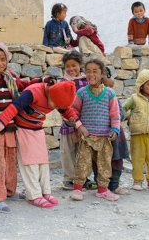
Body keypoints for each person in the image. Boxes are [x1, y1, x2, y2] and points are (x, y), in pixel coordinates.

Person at [0, 43, 49, 213]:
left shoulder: (12, 77)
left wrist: (42, 80)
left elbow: (25, 85)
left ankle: (9, 191)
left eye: (3, 60)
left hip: (11, 128)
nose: (0, 63)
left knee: (10, 162)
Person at [0, 81, 79, 208]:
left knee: (43, 161)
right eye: (56, 106)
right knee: (29, 162)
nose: (57, 109)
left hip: (37, 129)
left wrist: (75, 123)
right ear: (50, 95)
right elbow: (13, 108)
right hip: (23, 129)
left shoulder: (58, 98)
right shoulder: (32, 92)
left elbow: (68, 112)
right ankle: (34, 195)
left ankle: (45, 192)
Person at [69, 59, 121, 202]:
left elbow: (115, 114)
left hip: (104, 137)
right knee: (82, 163)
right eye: (88, 71)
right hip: (87, 136)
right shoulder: (82, 93)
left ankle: (102, 190)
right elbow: (73, 112)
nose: (91, 75)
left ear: (103, 74)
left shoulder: (110, 94)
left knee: (104, 164)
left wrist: (115, 129)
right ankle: (77, 189)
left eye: (95, 71)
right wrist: (79, 126)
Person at [58, 51, 91, 191]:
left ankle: (84, 178)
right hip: (68, 123)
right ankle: (69, 179)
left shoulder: (88, 82)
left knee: (85, 152)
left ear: (81, 65)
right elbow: (62, 105)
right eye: (68, 66)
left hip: (86, 124)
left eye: (74, 65)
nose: (71, 69)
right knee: (68, 152)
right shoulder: (63, 83)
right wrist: (72, 127)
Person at [92, 76, 130, 195]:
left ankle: (114, 185)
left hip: (115, 134)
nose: (108, 88)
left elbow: (121, 114)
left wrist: (113, 122)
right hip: (99, 133)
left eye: (111, 86)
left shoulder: (115, 99)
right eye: (105, 85)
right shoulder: (93, 99)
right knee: (98, 160)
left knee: (116, 159)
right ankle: (101, 185)